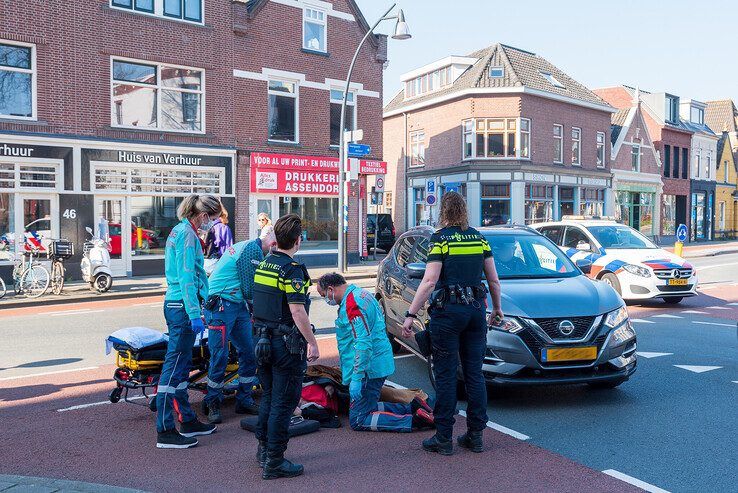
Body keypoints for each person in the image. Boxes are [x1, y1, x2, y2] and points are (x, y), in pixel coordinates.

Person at [402, 192, 503, 456]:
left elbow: (429, 281)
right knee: (474, 375)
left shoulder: (440, 239)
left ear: (443, 212)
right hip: (475, 312)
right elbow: (493, 280)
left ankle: (444, 438)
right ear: (464, 211)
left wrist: (411, 314)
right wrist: (497, 309)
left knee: (445, 376)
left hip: (448, 314)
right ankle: (475, 436)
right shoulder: (480, 238)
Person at [316, 272, 435, 433]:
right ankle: (412, 407)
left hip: (368, 369)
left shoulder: (352, 304)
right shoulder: (361, 294)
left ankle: (415, 420)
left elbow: (363, 343)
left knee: (359, 420)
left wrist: (357, 377)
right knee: (368, 405)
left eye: (324, 295)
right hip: (377, 362)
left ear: (331, 289)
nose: (326, 300)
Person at [252, 214, 320, 480]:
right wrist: (312, 343)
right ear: (297, 240)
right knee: (284, 402)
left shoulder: (264, 264)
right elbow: (297, 311)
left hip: (261, 340)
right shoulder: (293, 270)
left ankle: (263, 450)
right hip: (284, 344)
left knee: (268, 397)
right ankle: (275, 461)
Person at [156, 194, 223, 449]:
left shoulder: (181, 231)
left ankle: (186, 418)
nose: (213, 224)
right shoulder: (187, 235)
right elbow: (186, 277)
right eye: (213, 219)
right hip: (182, 307)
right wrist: (195, 313)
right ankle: (165, 430)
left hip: (178, 305)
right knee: (174, 368)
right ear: (204, 215)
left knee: (181, 367)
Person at [202, 229, 278, 424]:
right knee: (220, 356)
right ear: (272, 243)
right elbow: (249, 289)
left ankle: (244, 399)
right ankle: (212, 401)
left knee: (249, 352)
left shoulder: (252, 248)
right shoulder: (252, 251)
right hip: (221, 305)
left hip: (235, 305)